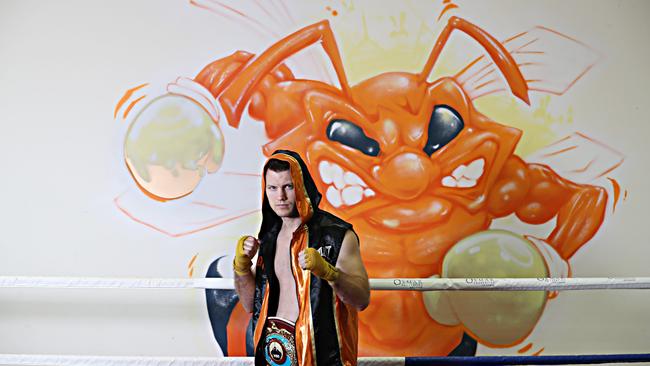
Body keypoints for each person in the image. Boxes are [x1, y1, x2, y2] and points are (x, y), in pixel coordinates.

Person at [233, 150, 370, 366]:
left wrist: (329, 273)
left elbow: (361, 299)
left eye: (288, 186)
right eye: (273, 188)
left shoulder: (336, 234)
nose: (280, 197)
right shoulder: (268, 238)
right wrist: (241, 268)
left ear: (301, 186)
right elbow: (251, 304)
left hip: (321, 355)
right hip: (274, 351)